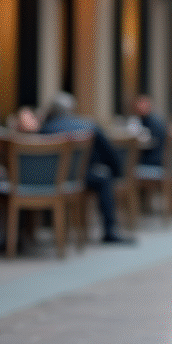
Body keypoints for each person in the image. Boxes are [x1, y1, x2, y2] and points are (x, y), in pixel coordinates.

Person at [38, 92, 132, 244]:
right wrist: (117, 173)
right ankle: (110, 230)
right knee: (104, 176)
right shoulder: (89, 125)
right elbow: (109, 153)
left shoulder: (45, 129)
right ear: (72, 109)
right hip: (80, 179)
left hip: (51, 181)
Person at [130, 94, 167, 168]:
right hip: (152, 160)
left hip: (152, 162)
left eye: (142, 104)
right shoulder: (142, 120)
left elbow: (152, 143)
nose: (140, 106)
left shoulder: (154, 122)